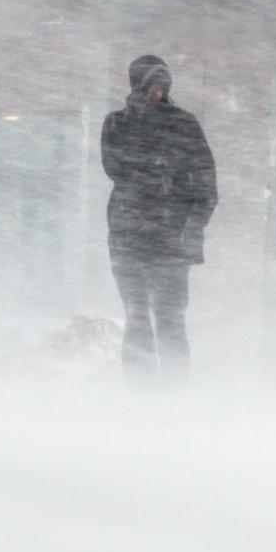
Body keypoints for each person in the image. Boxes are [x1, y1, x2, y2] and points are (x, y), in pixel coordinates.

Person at [100, 54, 216, 383]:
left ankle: (174, 396)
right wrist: (140, 122)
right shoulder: (117, 123)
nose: (159, 92)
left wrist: (190, 226)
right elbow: (115, 168)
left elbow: (207, 184)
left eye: (164, 85)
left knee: (171, 321)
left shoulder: (184, 123)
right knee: (136, 318)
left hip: (172, 243)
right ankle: (141, 396)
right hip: (128, 239)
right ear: (137, 86)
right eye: (152, 85)